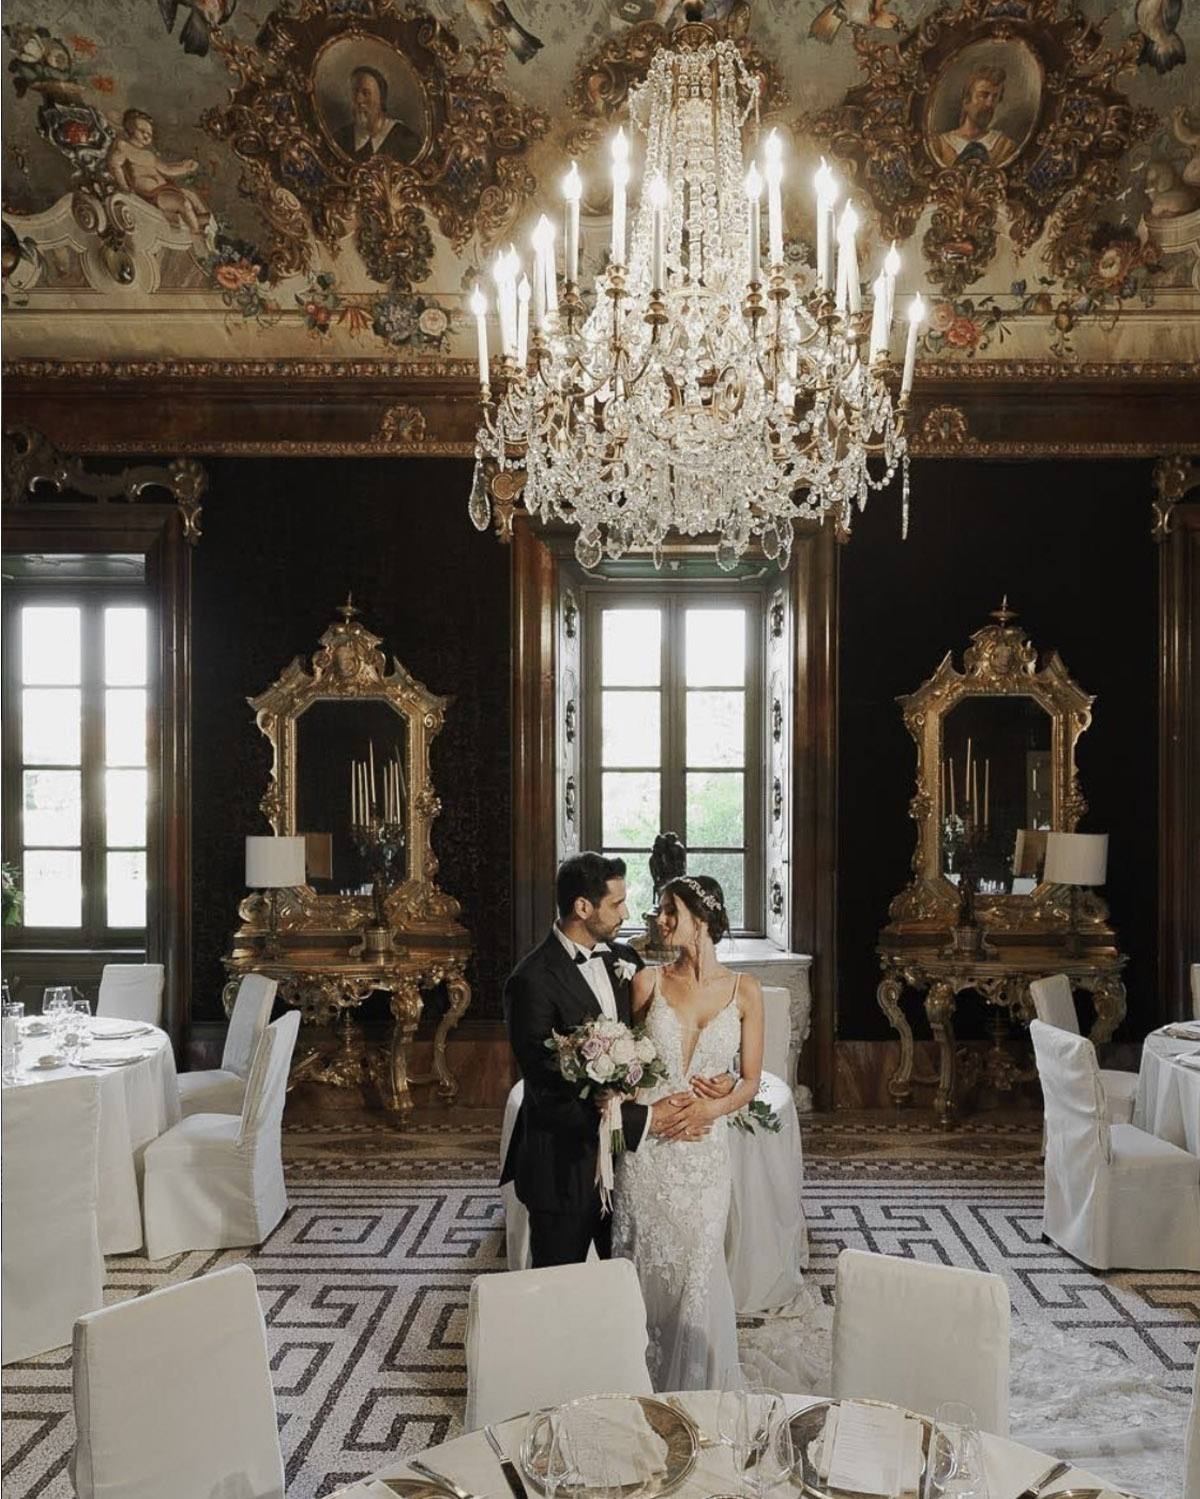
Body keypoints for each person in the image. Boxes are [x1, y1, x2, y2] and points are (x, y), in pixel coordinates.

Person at [502, 852, 714, 1267]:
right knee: (562, 1292)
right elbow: (548, 1092)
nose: (627, 912)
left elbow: (654, 1044)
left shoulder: (625, 961)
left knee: (624, 1285)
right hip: (563, 1168)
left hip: (629, 1169)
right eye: (616, 904)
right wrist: (647, 1120)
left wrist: (712, 1081)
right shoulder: (530, 982)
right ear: (583, 907)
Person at [612, 873, 765, 1391]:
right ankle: (637, 1381)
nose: (660, 921)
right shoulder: (646, 983)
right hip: (649, 1151)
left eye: (670, 912)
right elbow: (624, 1068)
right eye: (659, 911)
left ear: (701, 920)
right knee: (644, 1264)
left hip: (703, 1155)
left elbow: (751, 1081)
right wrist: (646, 1108)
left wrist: (713, 1108)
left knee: (698, 1266)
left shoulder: (746, 991)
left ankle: (696, 1389)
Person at [107, 110, 211, 235]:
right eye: (142, 131)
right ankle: (196, 234)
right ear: (130, 129)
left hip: (165, 188)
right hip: (151, 195)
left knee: (191, 195)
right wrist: (124, 186)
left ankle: (205, 223)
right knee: (183, 203)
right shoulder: (124, 146)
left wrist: (185, 167)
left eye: (149, 134)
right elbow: (115, 165)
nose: (146, 136)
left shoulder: (149, 155)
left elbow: (167, 169)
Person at [933, 66, 1019, 169]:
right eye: (983, 95)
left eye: (995, 97)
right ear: (966, 102)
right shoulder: (939, 146)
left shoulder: (1005, 147)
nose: (989, 103)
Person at [332, 65, 420, 165]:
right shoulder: (339, 139)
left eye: (366, 93)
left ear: (381, 100)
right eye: (355, 92)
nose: (359, 100)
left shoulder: (406, 141)